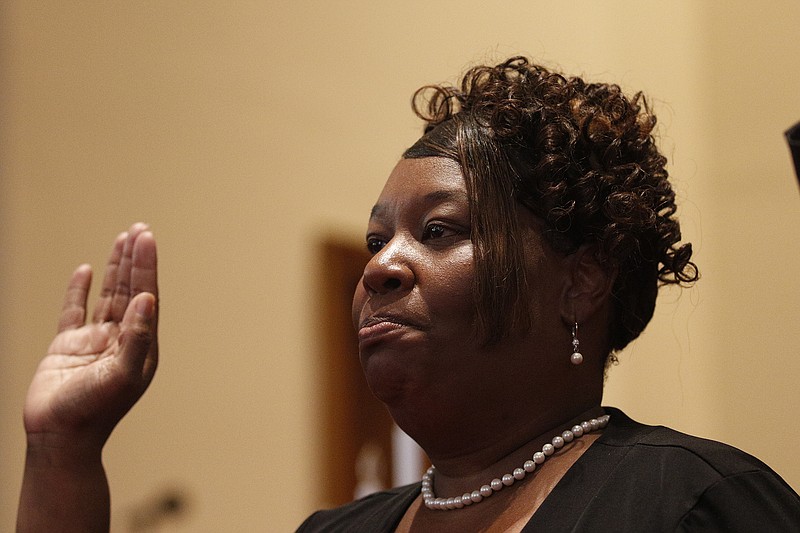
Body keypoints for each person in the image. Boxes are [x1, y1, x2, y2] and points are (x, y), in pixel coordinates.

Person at [16, 57, 800, 532]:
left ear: (581, 279)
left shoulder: (691, 504)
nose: (380, 268)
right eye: (375, 240)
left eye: (438, 231)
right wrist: (64, 451)